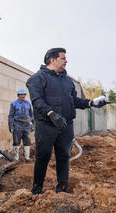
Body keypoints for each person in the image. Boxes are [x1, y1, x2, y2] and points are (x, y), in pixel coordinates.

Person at [26, 47, 107, 195]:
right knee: (43, 156)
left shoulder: (67, 80)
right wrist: (51, 113)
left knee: (63, 156)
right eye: (63, 58)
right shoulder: (37, 78)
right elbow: (37, 101)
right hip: (46, 125)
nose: (66, 61)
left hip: (65, 125)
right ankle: (37, 188)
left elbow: (74, 100)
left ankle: (62, 188)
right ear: (53, 60)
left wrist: (91, 103)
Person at [8, 88, 34, 161]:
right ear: (18, 95)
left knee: (27, 141)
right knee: (16, 141)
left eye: (24, 94)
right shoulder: (14, 104)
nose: (23, 96)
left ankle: (27, 157)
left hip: (26, 125)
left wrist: (33, 124)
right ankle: (16, 158)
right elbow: (10, 115)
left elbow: (31, 115)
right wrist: (10, 125)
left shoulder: (28, 103)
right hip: (17, 124)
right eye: (21, 94)